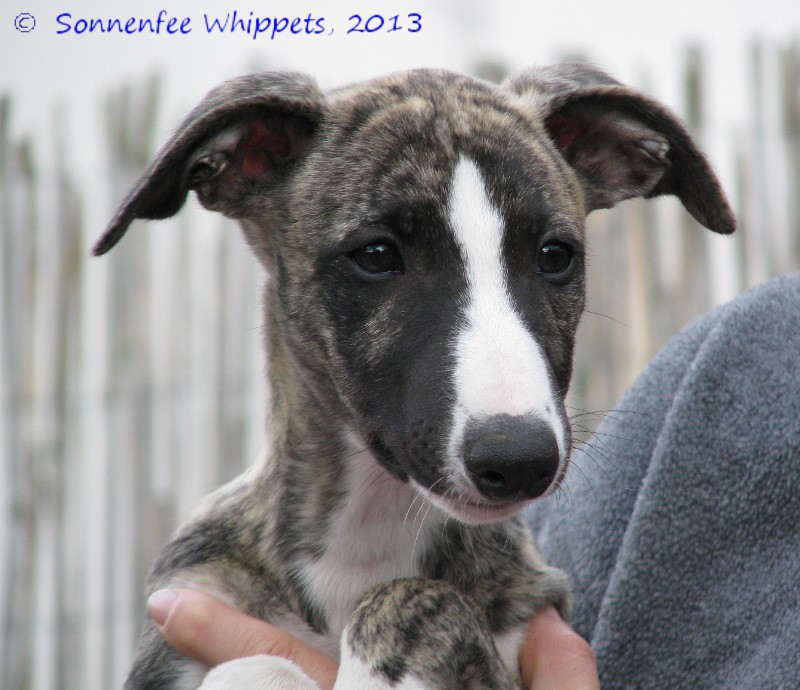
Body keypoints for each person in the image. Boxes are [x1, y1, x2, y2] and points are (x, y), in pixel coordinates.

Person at [147, 274, 800, 689]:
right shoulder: (214, 579)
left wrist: (418, 631)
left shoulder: (509, 598)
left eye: (552, 257)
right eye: (378, 256)